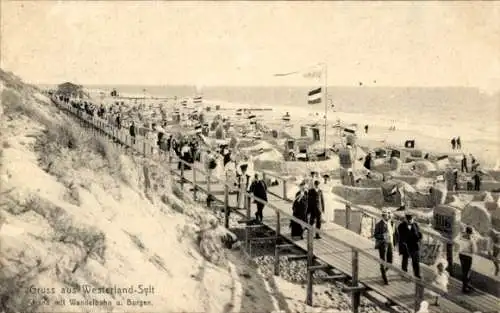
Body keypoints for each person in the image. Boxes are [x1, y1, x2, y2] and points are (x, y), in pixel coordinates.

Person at [373, 208, 397, 285]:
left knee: (390, 262)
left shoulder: (391, 223)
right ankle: (385, 278)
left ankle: (383, 272)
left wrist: (394, 244)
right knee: (383, 261)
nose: (388, 216)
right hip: (382, 245)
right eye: (387, 215)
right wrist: (383, 236)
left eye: (389, 215)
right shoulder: (379, 225)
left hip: (390, 244)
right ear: (383, 216)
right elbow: (376, 235)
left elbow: (393, 234)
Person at [397, 213, 422, 278]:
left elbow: (419, 234)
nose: (409, 221)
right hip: (406, 244)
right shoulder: (401, 226)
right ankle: (404, 272)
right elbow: (402, 236)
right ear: (405, 219)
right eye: (408, 219)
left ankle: (417, 274)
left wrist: (419, 237)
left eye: (411, 219)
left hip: (414, 245)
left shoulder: (415, 225)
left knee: (415, 260)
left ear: (413, 219)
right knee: (405, 259)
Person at [458, 226, 477, 293]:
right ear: (471, 233)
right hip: (468, 256)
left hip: (461, 255)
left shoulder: (461, 237)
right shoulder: (471, 240)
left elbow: (458, 244)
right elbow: (474, 251)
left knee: (464, 271)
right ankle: (464, 288)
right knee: (467, 272)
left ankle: (466, 285)